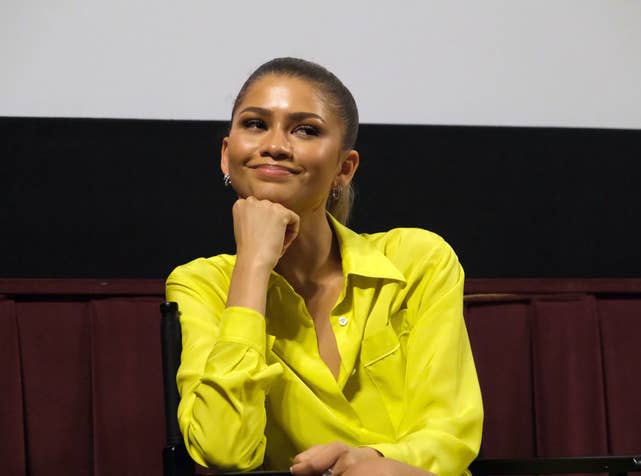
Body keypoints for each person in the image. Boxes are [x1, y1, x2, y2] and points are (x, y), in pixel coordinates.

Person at [166, 57, 483, 476]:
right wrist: (253, 267)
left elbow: (449, 434)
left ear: (344, 168)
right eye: (256, 124)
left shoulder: (418, 259)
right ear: (227, 156)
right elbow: (224, 450)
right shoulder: (199, 283)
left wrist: (375, 462)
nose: (275, 145)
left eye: (306, 129)